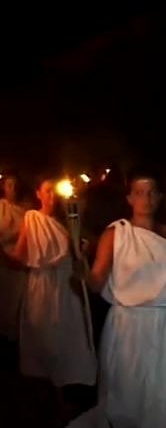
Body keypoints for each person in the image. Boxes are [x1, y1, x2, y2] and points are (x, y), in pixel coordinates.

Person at [68, 171, 166, 428]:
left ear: (160, 197)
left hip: (165, 324)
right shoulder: (115, 233)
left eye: (151, 192)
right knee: (127, 392)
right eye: (139, 192)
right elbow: (96, 283)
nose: (146, 198)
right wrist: (83, 272)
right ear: (130, 198)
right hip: (127, 325)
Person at [1, 176, 96, 422]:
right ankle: (48, 398)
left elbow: (80, 253)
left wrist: (81, 250)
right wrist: (4, 254)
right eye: (47, 192)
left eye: (55, 192)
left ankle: (65, 394)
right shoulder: (32, 219)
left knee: (67, 338)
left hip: (66, 286)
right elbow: (21, 256)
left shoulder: (66, 222)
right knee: (45, 339)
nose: (52, 197)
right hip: (43, 287)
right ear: (38, 194)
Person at [0, 174, 27, 341]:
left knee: (17, 304)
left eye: (15, 185)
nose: (13, 189)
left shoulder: (24, 211)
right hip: (2, 261)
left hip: (19, 264)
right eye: (9, 185)